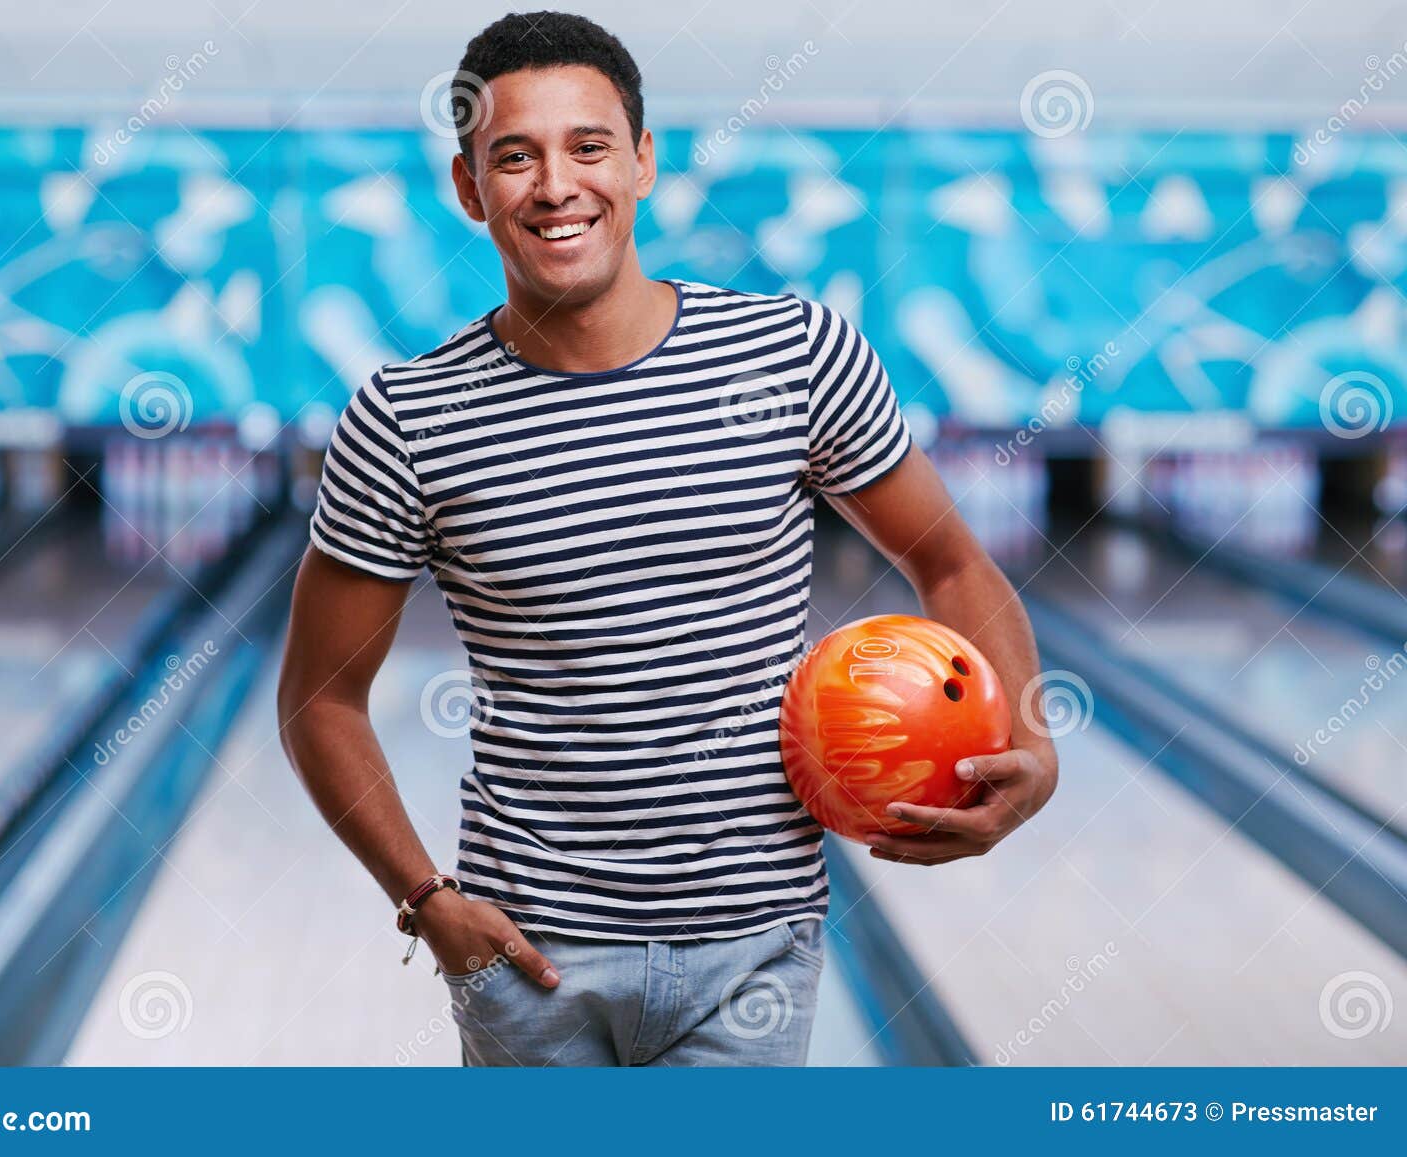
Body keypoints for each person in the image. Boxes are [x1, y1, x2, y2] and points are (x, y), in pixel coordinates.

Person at [277, 10, 1058, 1067]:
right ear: (468, 188)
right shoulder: (407, 417)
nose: (556, 185)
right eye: (515, 156)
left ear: (643, 162)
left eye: (588, 146)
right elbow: (319, 699)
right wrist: (426, 899)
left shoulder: (795, 354)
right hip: (527, 959)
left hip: (753, 952)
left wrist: (1028, 744)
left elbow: (950, 561)